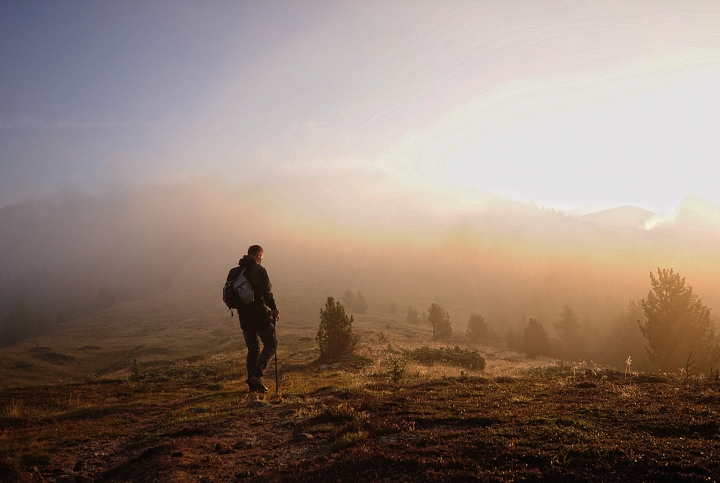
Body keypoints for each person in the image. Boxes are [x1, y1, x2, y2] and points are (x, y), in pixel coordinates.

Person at [235, 245, 280, 393]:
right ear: (259, 255)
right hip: (259, 314)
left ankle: (253, 386)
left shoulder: (236, 272)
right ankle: (257, 375)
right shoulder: (258, 270)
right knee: (271, 343)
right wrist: (273, 309)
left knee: (253, 350)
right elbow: (266, 292)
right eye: (262, 256)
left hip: (243, 316)